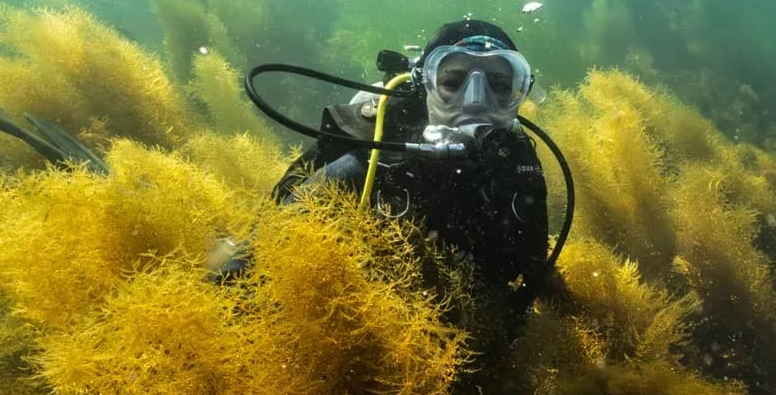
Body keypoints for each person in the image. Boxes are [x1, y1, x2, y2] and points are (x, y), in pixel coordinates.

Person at [219, 19, 558, 313]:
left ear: (521, 92)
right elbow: (252, 265)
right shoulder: (368, 164)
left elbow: (533, 274)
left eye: (498, 86)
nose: (475, 101)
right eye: (453, 83)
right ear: (423, 86)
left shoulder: (518, 169)